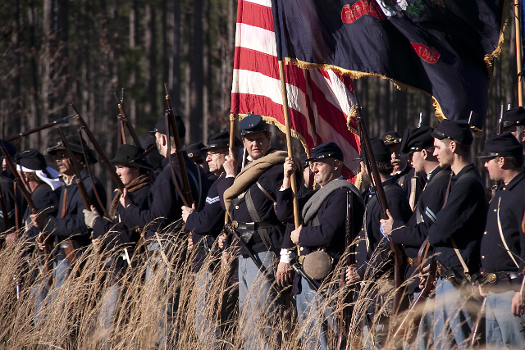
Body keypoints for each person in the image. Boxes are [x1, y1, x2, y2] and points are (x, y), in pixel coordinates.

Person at [119, 114, 208, 348]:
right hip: (185, 250)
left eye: (157, 138)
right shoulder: (194, 170)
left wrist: (128, 209)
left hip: (166, 252)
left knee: (165, 319)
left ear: (163, 140)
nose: (157, 143)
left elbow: (154, 221)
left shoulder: (169, 173)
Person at [276, 141, 364, 350]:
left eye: (319, 163)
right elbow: (285, 213)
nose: (313, 168)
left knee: (324, 341)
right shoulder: (318, 194)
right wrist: (287, 179)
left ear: (335, 165)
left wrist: (301, 235)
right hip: (310, 277)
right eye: (311, 163)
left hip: (327, 279)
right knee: (310, 340)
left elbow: (327, 232)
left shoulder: (342, 193)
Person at [217, 115, 287, 350]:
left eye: (259, 138)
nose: (255, 144)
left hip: (266, 252)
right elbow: (234, 214)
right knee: (248, 323)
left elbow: (289, 217)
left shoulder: (278, 169)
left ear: (268, 138)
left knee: (264, 323)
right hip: (244, 252)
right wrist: (228, 248)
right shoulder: (244, 172)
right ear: (244, 143)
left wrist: (286, 257)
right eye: (250, 140)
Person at [380, 127, 451, 350]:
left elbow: (426, 233)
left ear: (424, 152)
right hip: (422, 273)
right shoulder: (431, 181)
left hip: (430, 274)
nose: (408, 160)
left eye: (411, 154)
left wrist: (394, 230)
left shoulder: (438, 183)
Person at [426, 120, 487, 350]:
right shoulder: (458, 181)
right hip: (448, 280)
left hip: (459, 282)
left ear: (452, 146)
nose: (434, 152)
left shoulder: (467, 184)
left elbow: (437, 232)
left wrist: (435, 227)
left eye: (437, 147)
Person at [346, 138, 412, 349]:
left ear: (367, 166)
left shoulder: (390, 197)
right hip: (372, 286)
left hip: (385, 285)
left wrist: (363, 271)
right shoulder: (374, 195)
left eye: (362, 164)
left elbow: (391, 249)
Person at [83, 144, 153, 342]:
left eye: (122, 166)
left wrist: (97, 224)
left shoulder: (142, 194)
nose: (118, 172)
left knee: (116, 329)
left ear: (136, 168)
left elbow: (124, 236)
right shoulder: (128, 193)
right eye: (117, 167)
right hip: (118, 269)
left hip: (130, 271)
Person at [181, 130, 240, 348]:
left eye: (213, 153)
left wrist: (190, 218)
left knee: (206, 323)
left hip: (212, 262)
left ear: (229, 155)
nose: (207, 158)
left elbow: (206, 222)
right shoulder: (216, 183)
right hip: (206, 259)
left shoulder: (225, 183)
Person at [32, 135, 107, 291]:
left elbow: (82, 224)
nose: (58, 160)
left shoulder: (89, 185)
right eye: (57, 156)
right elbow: (64, 220)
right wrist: (46, 235)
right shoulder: (70, 184)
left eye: (63, 155)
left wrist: (47, 224)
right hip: (62, 257)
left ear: (77, 157)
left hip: (78, 258)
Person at [476, 132, 525, 348]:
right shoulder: (503, 191)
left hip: (513, 290)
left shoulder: (521, 192)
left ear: (501, 160)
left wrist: (523, 291)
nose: (486, 165)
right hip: (496, 288)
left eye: (488, 160)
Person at [15, 149, 61, 325]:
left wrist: (19, 242)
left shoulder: (43, 194)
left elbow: (40, 229)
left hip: (43, 265)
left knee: (43, 320)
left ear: (26, 177)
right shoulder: (37, 194)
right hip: (36, 265)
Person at [382, 131, 425, 210]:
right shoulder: (381, 180)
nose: (394, 156)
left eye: (398, 151)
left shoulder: (414, 175)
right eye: (390, 152)